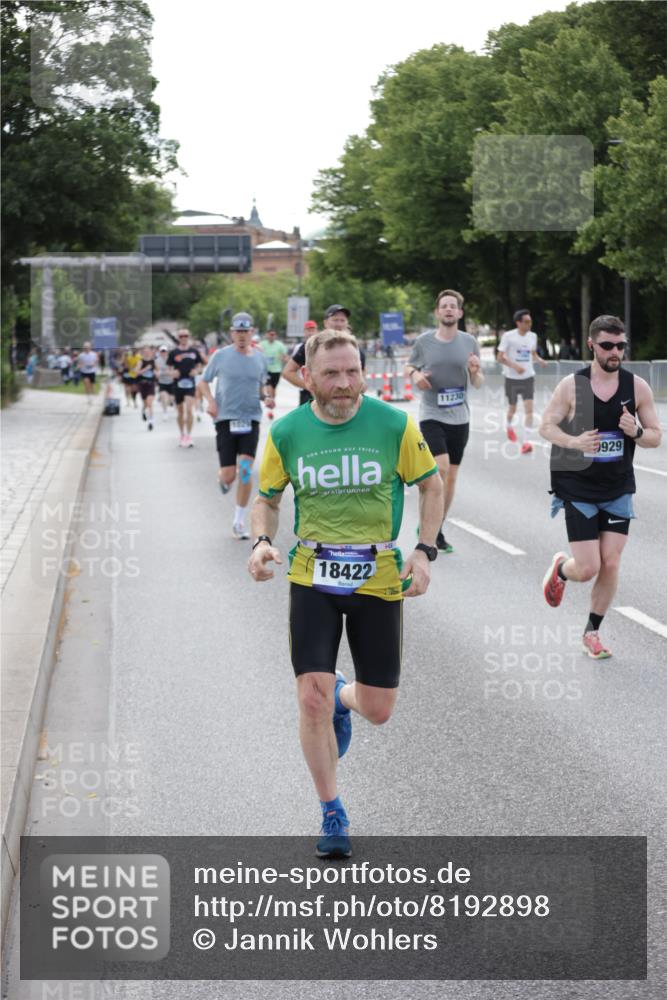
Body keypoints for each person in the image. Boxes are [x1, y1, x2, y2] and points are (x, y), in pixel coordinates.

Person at [247, 330, 442, 858]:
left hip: (379, 576)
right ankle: (332, 810)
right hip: (312, 575)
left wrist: (424, 552)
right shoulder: (287, 432)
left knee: (378, 710)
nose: (344, 383)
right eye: (331, 374)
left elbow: (431, 484)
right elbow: (264, 499)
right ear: (306, 378)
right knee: (308, 695)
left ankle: (342, 695)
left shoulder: (394, 424)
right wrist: (264, 541)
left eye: (352, 371)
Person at [540, 315, 661, 659]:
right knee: (588, 567)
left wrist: (636, 432)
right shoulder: (572, 386)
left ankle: (592, 632)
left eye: (621, 345)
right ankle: (562, 568)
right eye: (607, 345)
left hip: (618, 486)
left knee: (611, 562)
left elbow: (655, 436)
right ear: (592, 345)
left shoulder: (636, 387)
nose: (615, 352)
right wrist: (574, 441)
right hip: (576, 486)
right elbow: (546, 426)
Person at [405, 288, 483, 553]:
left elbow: (478, 382)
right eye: (444, 306)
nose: (449, 309)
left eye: (453, 306)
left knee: (451, 477)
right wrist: (416, 376)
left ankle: (436, 526)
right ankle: (429, 522)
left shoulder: (469, 341)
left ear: (460, 313)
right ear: (438, 312)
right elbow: (409, 366)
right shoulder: (424, 342)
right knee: (440, 468)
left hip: (460, 416)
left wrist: (474, 372)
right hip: (431, 414)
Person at [199, 312, 271, 539]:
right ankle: (224, 478)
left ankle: (239, 521)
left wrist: (266, 396)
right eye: (238, 332)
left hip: (251, 418)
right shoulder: (220, 356)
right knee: (230, 475)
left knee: (247, 472)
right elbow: (203, 381)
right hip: (225, 419)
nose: (241, 336)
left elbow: (262, 386)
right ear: (232, 333)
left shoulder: (260, 357)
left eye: (245, 331)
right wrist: (210, 401)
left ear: (252, 333)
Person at [283, 307, 367, 406]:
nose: (339, 324)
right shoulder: (312, 346)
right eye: (335, 320)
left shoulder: (355, 349)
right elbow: (287, 372)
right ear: (326, 323)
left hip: (346, 407)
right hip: (313, 404)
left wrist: (359, 387)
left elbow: (362, 378)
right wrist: (310, 386)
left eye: (342, 320)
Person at [497, 308, 548, 454]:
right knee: (512, 408)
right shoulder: (508, 336)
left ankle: (526, 442)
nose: (529, 324)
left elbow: (532, 353)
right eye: (526, 322)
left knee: (529, 410)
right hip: (512, 378)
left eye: (530, 321)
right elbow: (500, 357)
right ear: (518, 323)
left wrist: (540, 360)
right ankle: (508, 426)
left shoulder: (533, 336)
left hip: (528, 378)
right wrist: (515, 366)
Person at [167, 329, 206, 448]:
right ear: (178, 338)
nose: (183, 337)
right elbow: (168, 368)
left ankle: (189, 436)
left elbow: (200, 366)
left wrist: (197, 371)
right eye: (181, 336)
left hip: (190, 383)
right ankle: (182, 434)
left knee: (189, 409)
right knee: (180, 412)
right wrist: (172, 373)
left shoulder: (194, 351)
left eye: (186, 335)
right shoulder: (173, 352)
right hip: (177, 384)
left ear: (189, 337)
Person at [258, 329, 288, 397]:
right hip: (266, 371)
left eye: (273, 335)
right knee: (269, 387)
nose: (272, 336)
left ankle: (271, 399)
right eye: (270, 334)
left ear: (276, 336)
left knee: (273, 389)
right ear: (267, 335)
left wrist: (283, 358)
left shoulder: (280, 345)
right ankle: (269, 399)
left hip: (276, 370)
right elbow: (256, 354)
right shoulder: (262, 344)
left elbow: (286, 357)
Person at [136, 345, 156, 430]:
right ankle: (143, 411)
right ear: (143, 353)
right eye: (145, 352)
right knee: (145, 403)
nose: (147, 353)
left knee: (149, 403)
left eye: (148, 351)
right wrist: (146, 369)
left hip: (151, 384)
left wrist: (157, 373)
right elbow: (136, 372)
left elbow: (158, 372)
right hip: (143, 384)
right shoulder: (141, 362)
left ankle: (150, 422)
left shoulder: (154, 362)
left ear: (151, 352)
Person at [155, 344, 175, 420]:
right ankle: (165, 412)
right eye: (162, 351)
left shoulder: (171, 360)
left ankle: (171, 403)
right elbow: (156, 372)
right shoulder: (157, 361)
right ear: (160, 352)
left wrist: (166, 372)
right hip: (162, 382)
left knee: (171, 399)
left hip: (171, 382)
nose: (163, 352)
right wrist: (158, 373)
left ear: (167, 352)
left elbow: (172, 370)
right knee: (163, 397)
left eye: (164, 351)